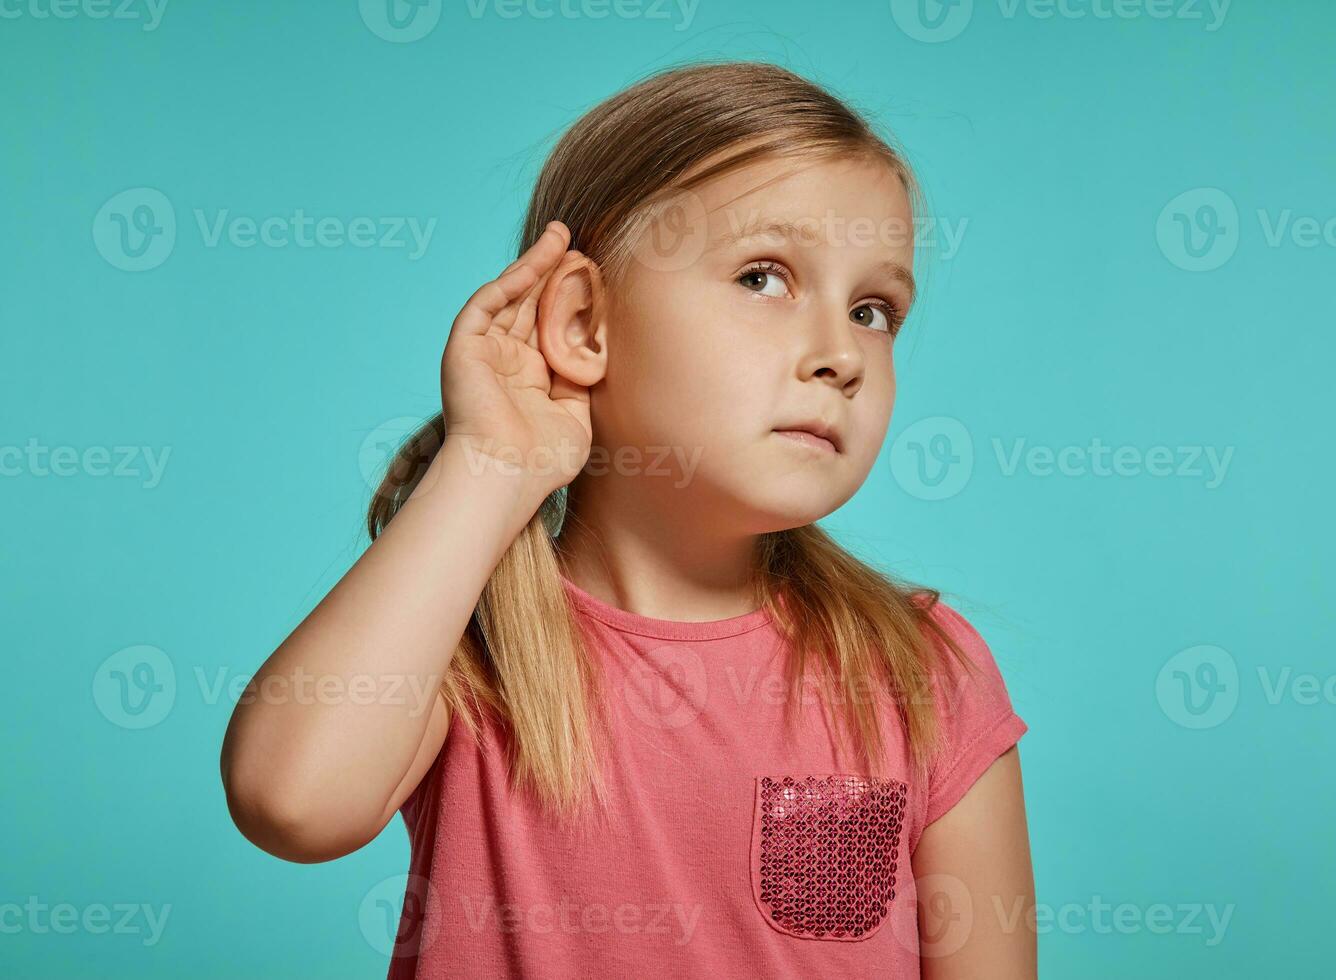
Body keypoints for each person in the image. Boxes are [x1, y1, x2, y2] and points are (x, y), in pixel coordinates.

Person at [220, 59, 1035, 979]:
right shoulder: (464, 645)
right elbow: (290, 802)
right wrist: (491, 465)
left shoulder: (920, 669)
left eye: (873, 309)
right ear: (583, 324)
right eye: (764, 277)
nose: (841, 353)